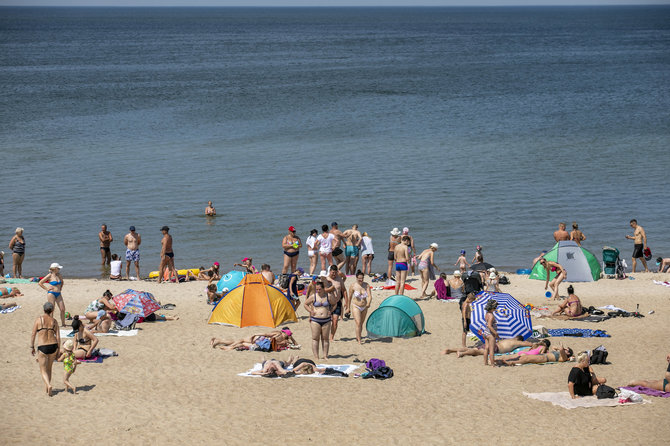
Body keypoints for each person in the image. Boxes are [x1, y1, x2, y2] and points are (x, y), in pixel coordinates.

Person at [31, 302, 61, 396]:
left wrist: (32, 346)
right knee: (49, 368)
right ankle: (47, 389)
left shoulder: (38, 320)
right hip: (53, 345)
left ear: (43, 309)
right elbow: (58, 337)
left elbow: (33, 334)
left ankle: (48, 385)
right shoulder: (54, 321)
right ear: (52, 310)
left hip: (43, 346)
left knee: (43, 370)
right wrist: (58, 350)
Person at [304, 280, 338, 359]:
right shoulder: (313, 296)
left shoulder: (328, 296)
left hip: (326, 319)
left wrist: (331, 311)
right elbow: (305, 304)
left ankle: (325, 356)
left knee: (325, 338)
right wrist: (311, 311)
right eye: (317, 289)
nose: (318, 291)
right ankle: (316, 356)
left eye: (320, 289)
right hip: (315, 319)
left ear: (323, 289)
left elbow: (335, 303)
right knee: (315, 338)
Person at [442, 335, 535, 357]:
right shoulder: (517, 342)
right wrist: (534, 344)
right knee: (478, 352)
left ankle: (451, 350)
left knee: (475, 348)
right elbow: (529, 344)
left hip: (493, 344)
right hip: (496, 348)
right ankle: (462, 353)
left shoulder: (509, 339)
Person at [210, 328, 296, 351]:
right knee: (242, 342)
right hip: (265, 345)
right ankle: (220, 342)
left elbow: (266, 334)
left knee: (242, 340)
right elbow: (295, 344)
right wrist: (291, 338)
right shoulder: (286, 342)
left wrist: (255, 334)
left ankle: (227, 345)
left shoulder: (278, 333)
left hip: (262, 340)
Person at [347, 270, 372, 344]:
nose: (361, 280)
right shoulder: (353, 286)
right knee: (358, 323)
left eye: (362, 278)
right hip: (356, 306)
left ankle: (359, 336)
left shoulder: (366, 285)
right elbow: (350, 297)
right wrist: (348, 308)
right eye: (359, 278)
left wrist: (369, 303)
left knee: (361, 323)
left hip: (364, 306)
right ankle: (359, 340)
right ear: (356, 278)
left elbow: (370, 296)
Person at [39, 263, 67, 327]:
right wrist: (46, 289)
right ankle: (50, 323)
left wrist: (60, 288)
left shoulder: (59, 275)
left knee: (62, 309)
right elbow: (40, 283)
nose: (59, 269)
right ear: (54, 269)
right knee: (51, 309)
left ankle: (63, 323)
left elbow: (62, 282)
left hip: (58, 293)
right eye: (58, 268)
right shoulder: (49, 275)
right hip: (51, 293)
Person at [326, 265, 347, 340]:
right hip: (327, 303)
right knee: (327, 321)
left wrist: (346, 303)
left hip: (337, 302)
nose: (334, 274)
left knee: (335, 321)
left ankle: (331, 337)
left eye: (335, 273)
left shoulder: (339, 279)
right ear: (330, 271)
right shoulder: (326, 279)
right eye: (332, 273)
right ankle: (325, 335)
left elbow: (344, 290)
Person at [499, 345, 573, 366]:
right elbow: (554, 347)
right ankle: (508, 360)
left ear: (568, 353)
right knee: (525, 357)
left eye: (567, 349)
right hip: (543, 356)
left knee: (527, 359)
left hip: (544, 358)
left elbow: (560, 349)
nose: (565, 349)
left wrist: (562, 347)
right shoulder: (561, 353)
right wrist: (561, 348)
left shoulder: (564, 357)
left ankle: (510, 363)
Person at [482, 299, 498, 366]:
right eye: (495, 308)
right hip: (490, 334)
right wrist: (495, 333)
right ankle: (492, 364)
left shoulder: (487, 314)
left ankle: (485, 363)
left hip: (485, 332)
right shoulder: (491, 316)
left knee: (486, 348)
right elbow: (490, 326)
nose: (495, 309)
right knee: (491, 350)